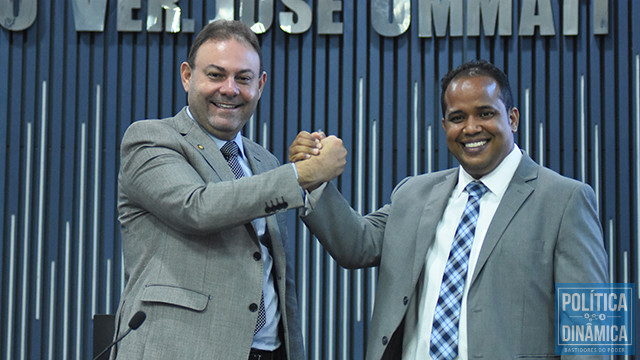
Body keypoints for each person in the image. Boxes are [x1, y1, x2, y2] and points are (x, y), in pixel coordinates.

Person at [291, 60, 608, 359]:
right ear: (444, 126)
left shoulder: (566, 200)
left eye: (485, 113)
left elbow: (590, 333)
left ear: (512, 118)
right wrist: (313, 179)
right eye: (458, 118)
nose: (471, 128)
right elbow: (356, 245)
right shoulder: (413, 194)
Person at [113, 20, 346, 360]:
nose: (230, 89)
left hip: (269, 351)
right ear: (187, 76)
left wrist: (311, 175)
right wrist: (299, 174)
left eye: (243, 78)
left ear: (261, 85)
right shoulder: (149, 139)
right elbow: (197, 208)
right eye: (216, 75)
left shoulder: (264, 161)